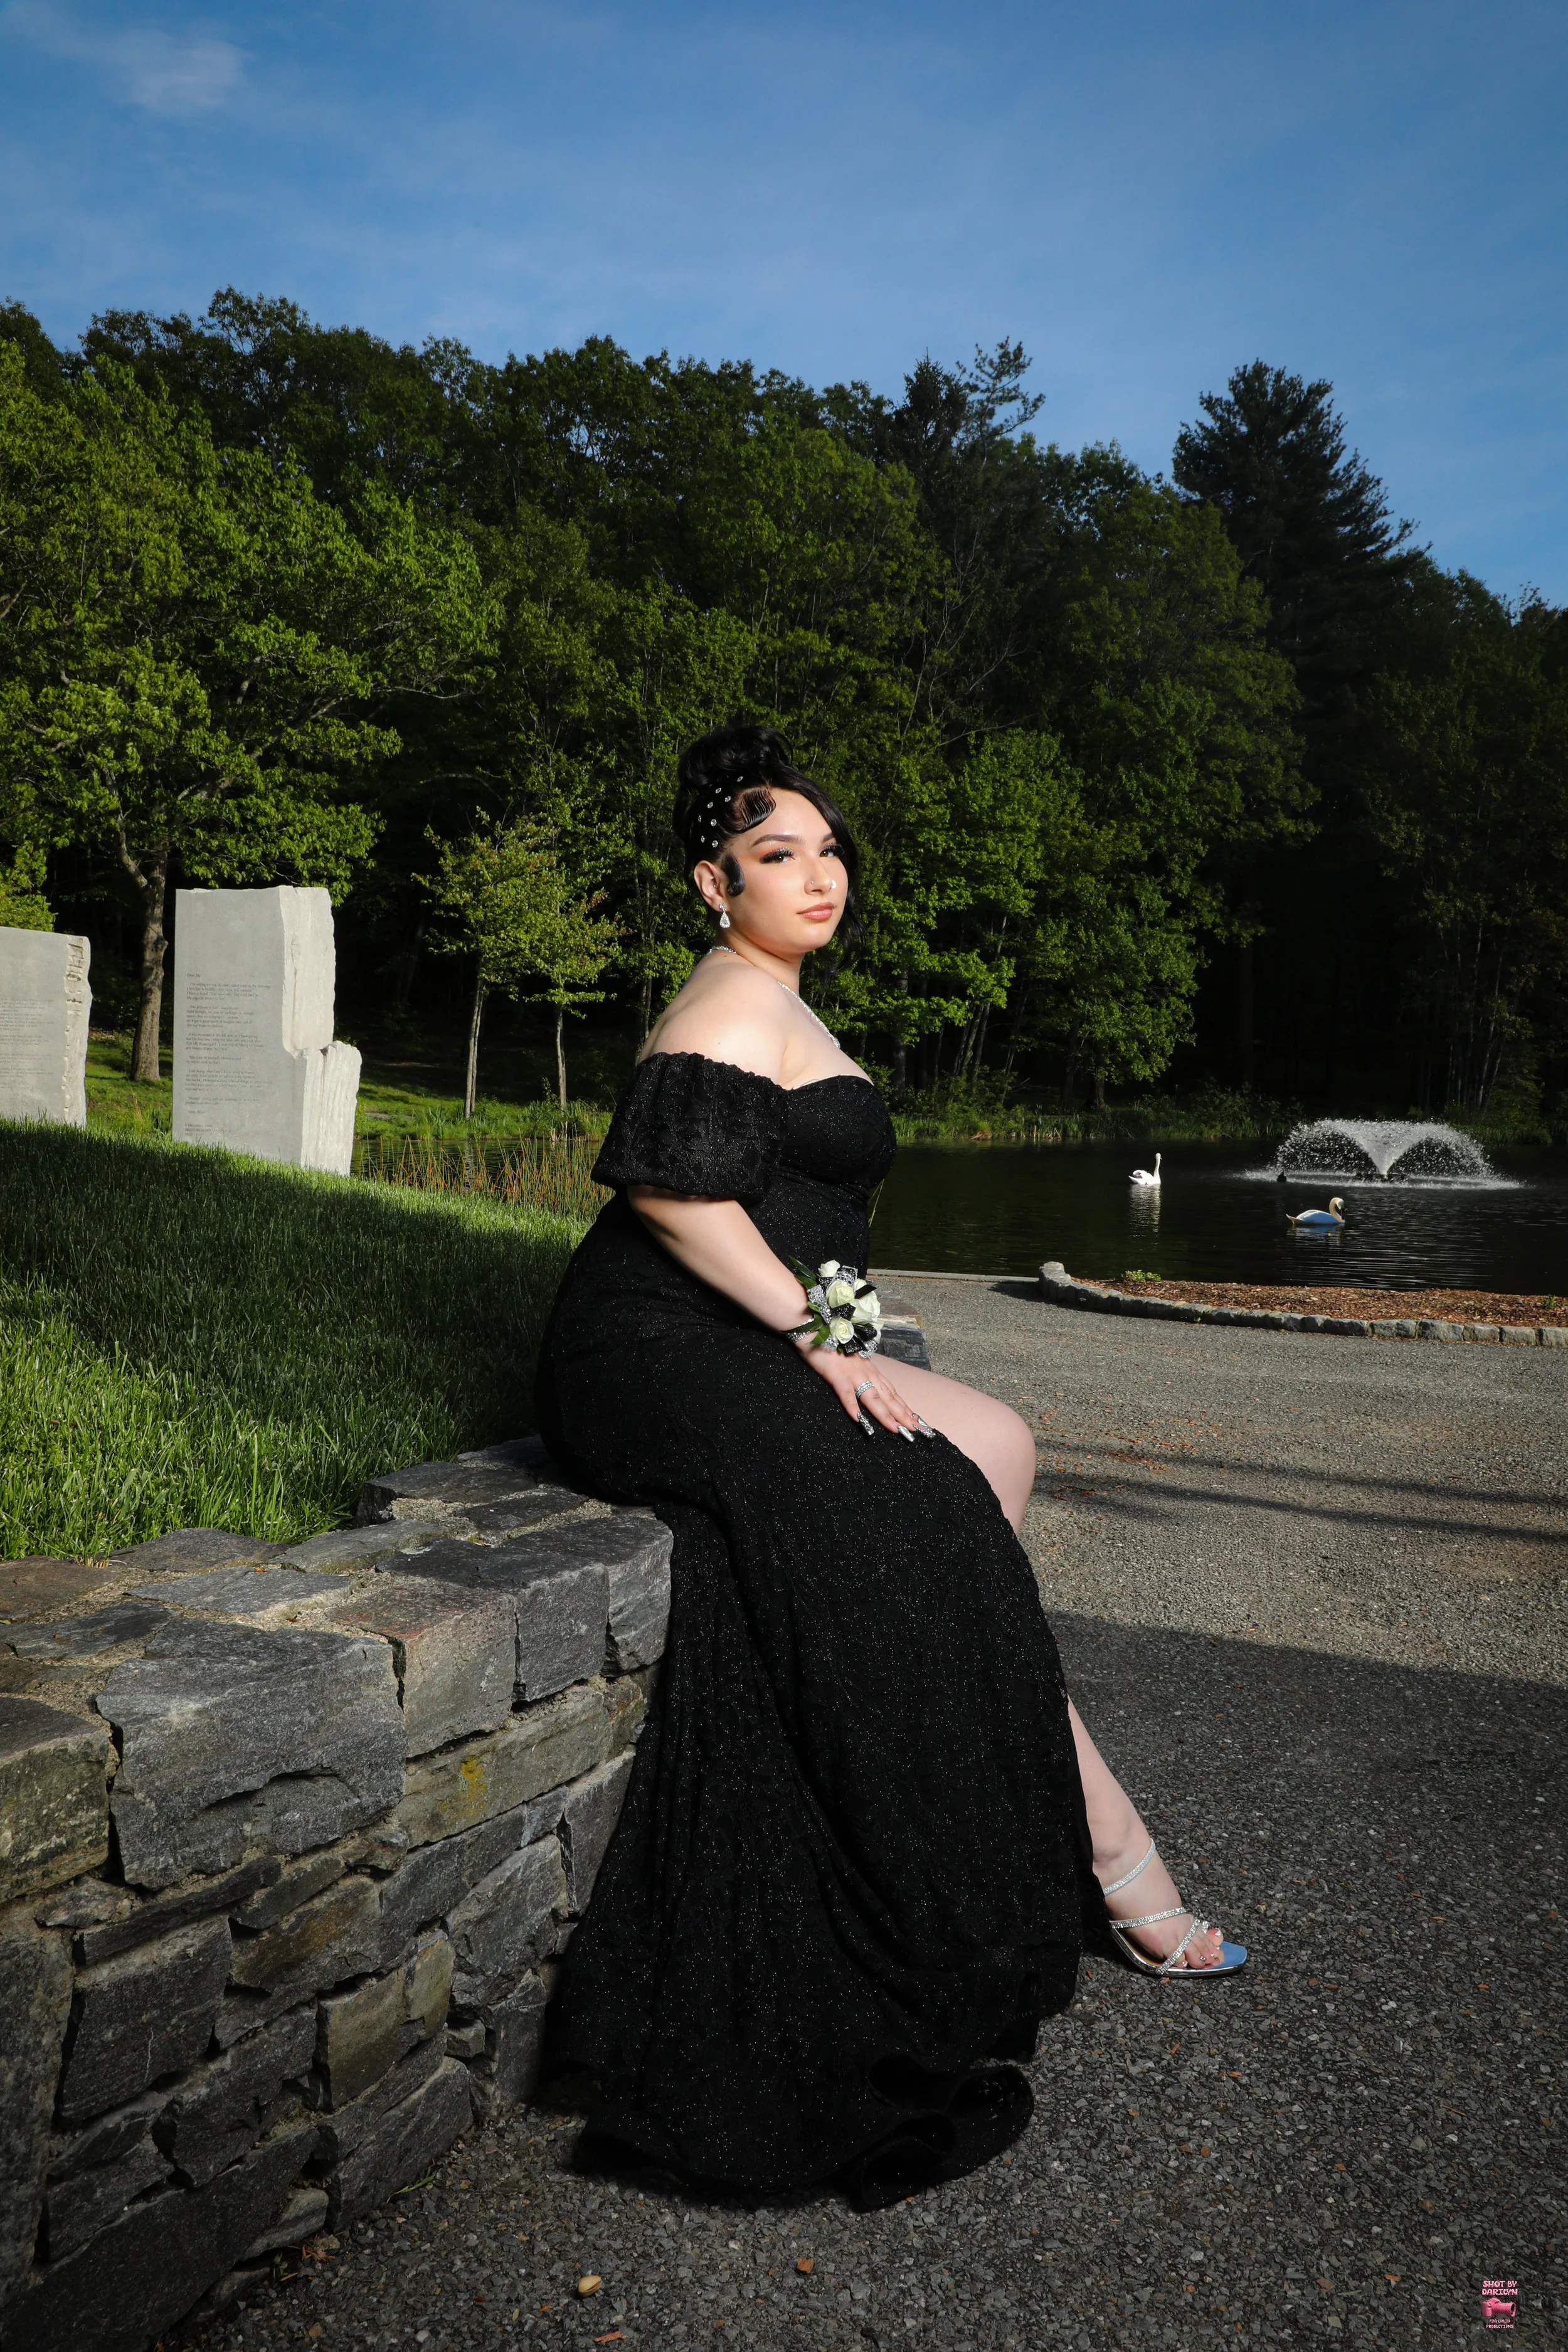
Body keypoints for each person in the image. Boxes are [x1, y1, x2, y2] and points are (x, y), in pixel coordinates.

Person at [534, 723, 1244, 2210]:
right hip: (651, 1349)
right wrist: (817, 1333)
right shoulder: (727, 997)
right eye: (775, 854)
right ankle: (1115, 1858)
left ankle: (1031, 1792)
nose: (819, 876)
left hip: (736, 1331)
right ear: (711, 882)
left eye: (829, 850)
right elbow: (669, 1193)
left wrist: (835, 1329)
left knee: (994, 1445)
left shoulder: (777, 996)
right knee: (925, 1513)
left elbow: (794, 1204)